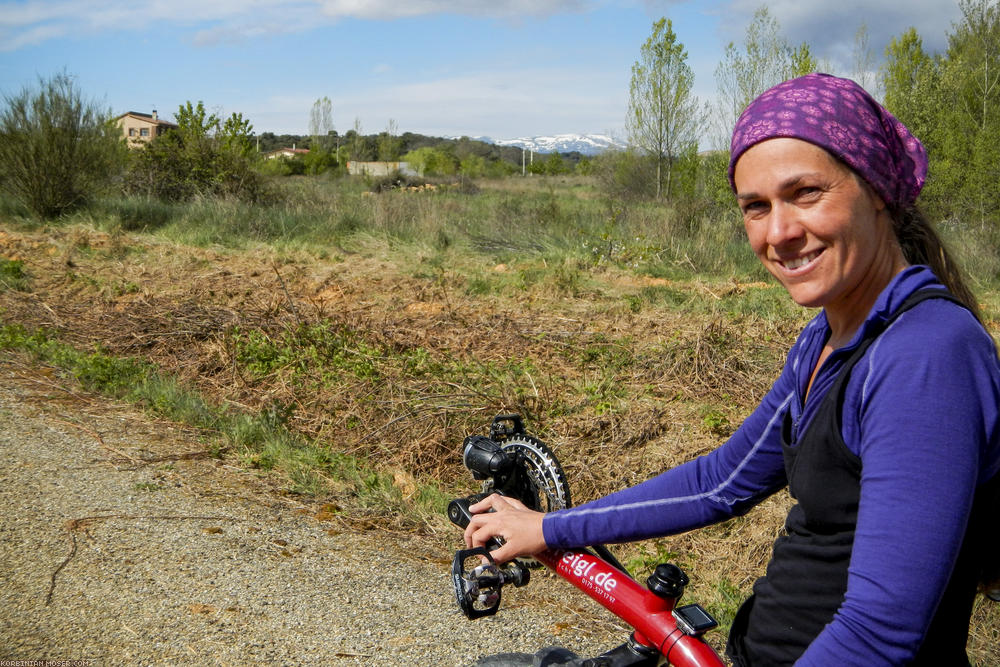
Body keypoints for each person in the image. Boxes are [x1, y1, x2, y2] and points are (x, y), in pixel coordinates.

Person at [464, 73, 1000, 666]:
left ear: (876, 189)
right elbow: (722, 481)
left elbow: (880, 633)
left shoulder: (926, 354)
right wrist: (552, 527)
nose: (780, 232)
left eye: (806, 193)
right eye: (756, 207)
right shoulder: (828, 335)